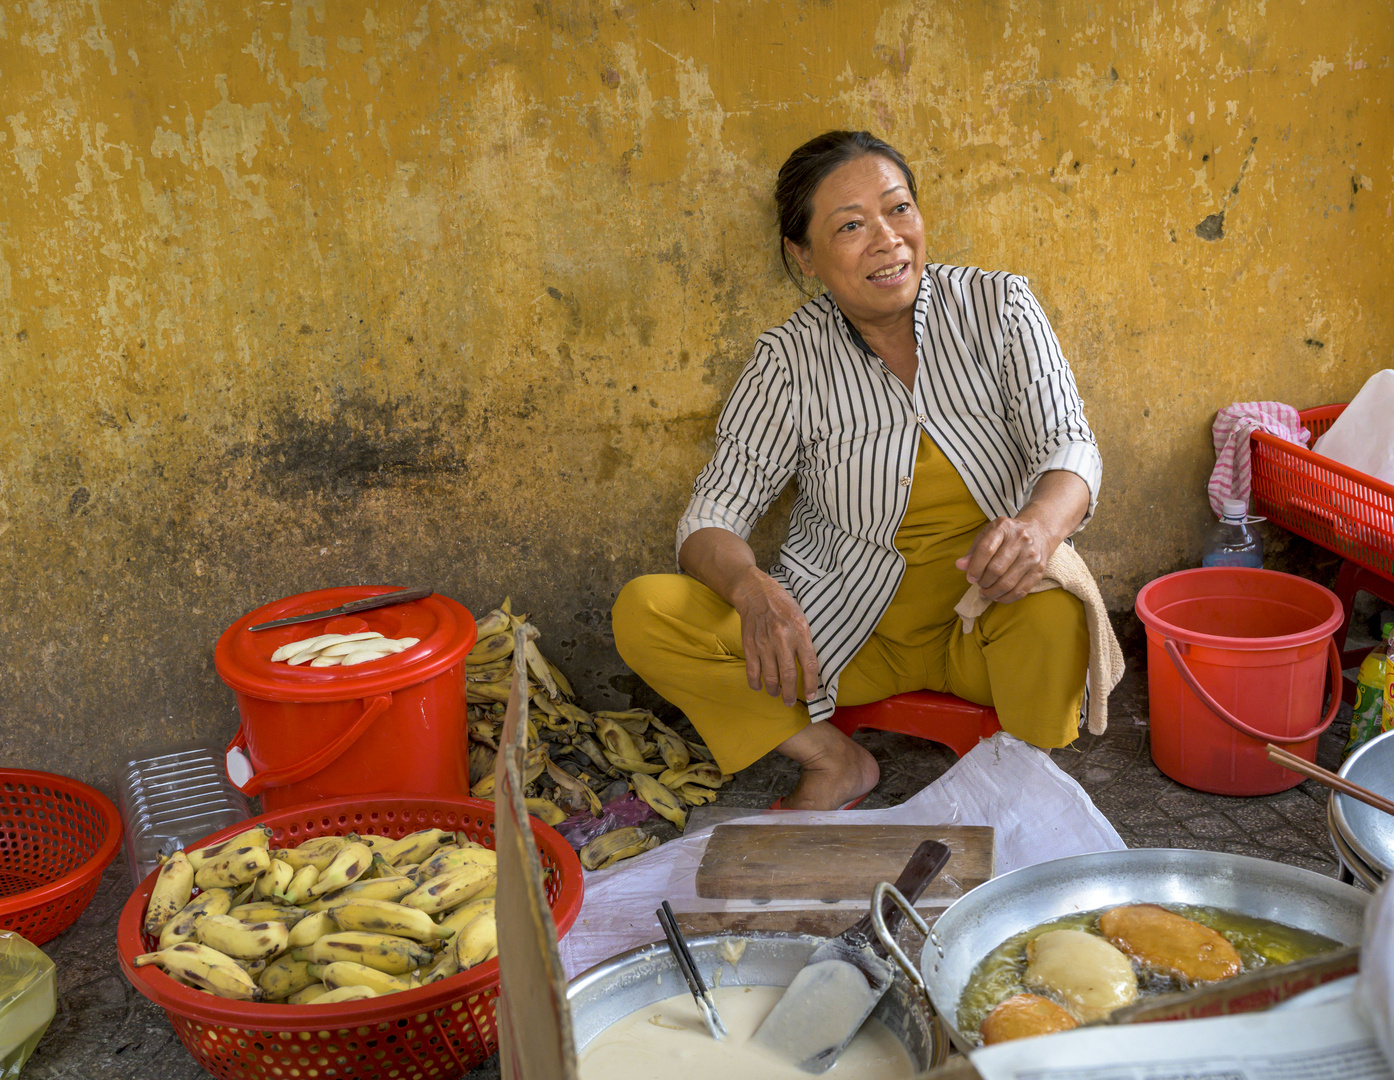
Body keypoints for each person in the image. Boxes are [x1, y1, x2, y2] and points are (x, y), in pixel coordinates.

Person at [612, 130, 1101, 811]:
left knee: (1059, 611)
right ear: (803, 256)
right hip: (844, 633)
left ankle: (1020, 787)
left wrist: (1038, 531)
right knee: (647, 611)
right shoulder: (788, 362)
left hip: (991, 621)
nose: (887, 239)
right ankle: (835, 761)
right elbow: (711, 517)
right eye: (849, 226)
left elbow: (1069, 446)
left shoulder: (998, 309)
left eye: (899, 210)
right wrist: (752, 590)